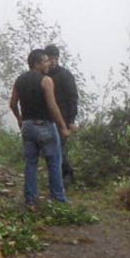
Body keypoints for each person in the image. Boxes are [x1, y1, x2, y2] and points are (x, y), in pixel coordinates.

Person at [9, 49, 71, 207]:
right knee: (54, 161)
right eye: (45, 61)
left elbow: (12, 103)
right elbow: (52, 106)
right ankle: (58, 198)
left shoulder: (20, 80)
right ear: (36, 64)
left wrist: (19, 119)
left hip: (28, 126)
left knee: (31, 162)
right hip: (45, 125)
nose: (48, 63)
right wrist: (63, 126)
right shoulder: (46, 80)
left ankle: (30, 199)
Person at [45, 44, 78, 186]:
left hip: (63, 118)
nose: (51, 62)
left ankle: (66, 175)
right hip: (46, 118)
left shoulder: (65, 75)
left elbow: (73, 98)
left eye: (53, 58)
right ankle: (57, 177)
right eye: (48, 59)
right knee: (49, 150)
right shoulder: (43, 75)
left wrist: (71, 121)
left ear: (57, 59)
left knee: (58, 148)